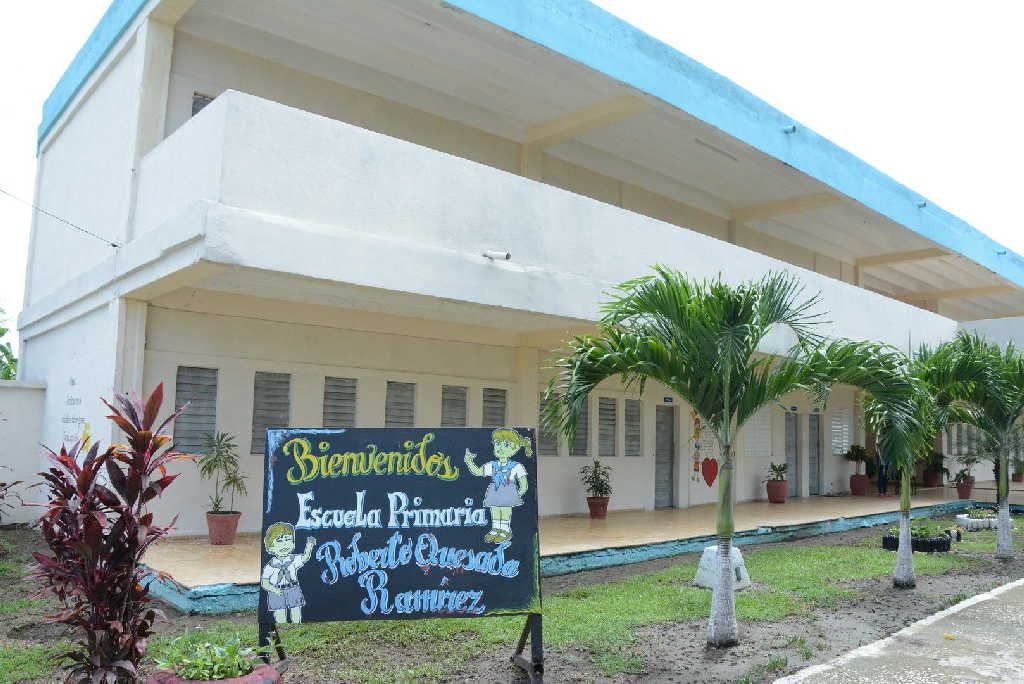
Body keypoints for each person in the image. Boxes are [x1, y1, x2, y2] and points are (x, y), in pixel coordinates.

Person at [464, 428, 532, 543]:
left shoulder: (516, 466)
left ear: (515, 448)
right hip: (495, 491)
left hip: (508, 492)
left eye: (506, 444)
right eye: (497, 443)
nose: (500, 447)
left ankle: (505, 530)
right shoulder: (492, 465)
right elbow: (478, 471)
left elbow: (523, 484)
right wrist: (469, 461)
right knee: (495, 510)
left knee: (505, 511)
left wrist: (517, 494)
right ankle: (495, 529)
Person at [261, 522, 316, 624]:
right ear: (270, 546)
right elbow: (264, 582)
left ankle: (297, 627)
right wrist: (274, 589)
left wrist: (309, 545)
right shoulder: (270, 566)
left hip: (293, 588)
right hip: (276, 590)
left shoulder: (293, 559)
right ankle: (281, 628)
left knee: (296, 611)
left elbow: (304, 557)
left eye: (287, 539)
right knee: (279, 613)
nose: (284, 544)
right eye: (279, 541)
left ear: (293, 543)